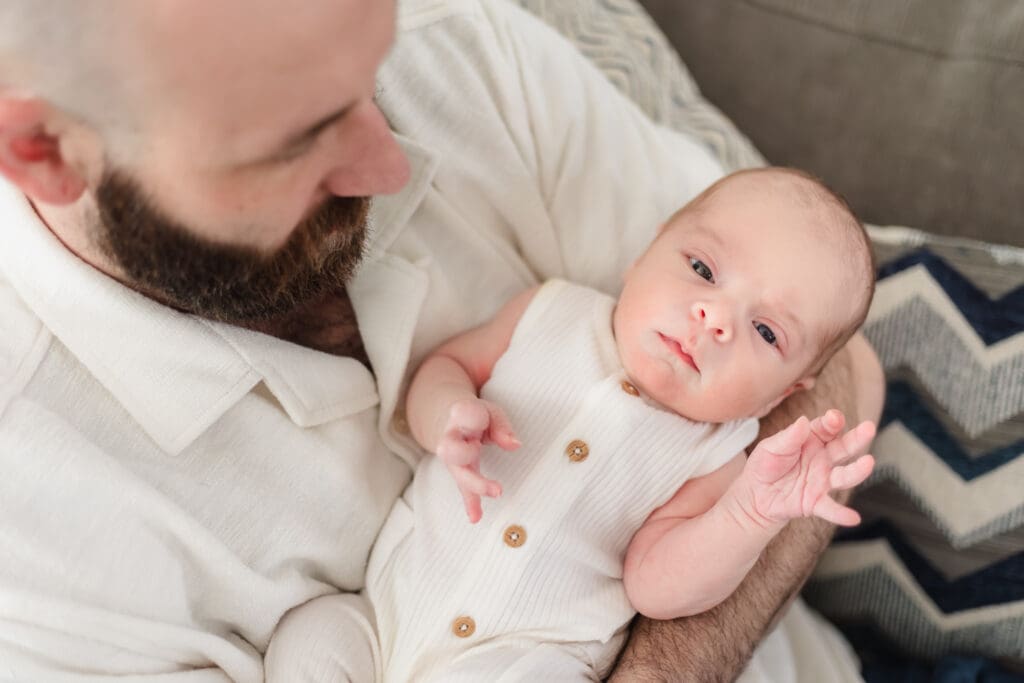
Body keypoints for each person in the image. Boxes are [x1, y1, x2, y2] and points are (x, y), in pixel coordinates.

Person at [0, 0, 883, 680]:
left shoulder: (454, 45)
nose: (394, 164)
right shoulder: (30, 528)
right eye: (297, 141)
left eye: (369, 80)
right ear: (42, 147)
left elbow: (839, 368)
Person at [265, 167, 878, 680]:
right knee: (309, 640)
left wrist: (748, 517)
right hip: (387, 614)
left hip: (528, 657)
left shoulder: (720, 457)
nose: (714, 317)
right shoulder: (551, 311)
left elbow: (655, 587)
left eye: (767, 332)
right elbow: (446, 366)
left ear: (789, 390)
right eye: (702, 269)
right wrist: (449, 413)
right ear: (645, 253)